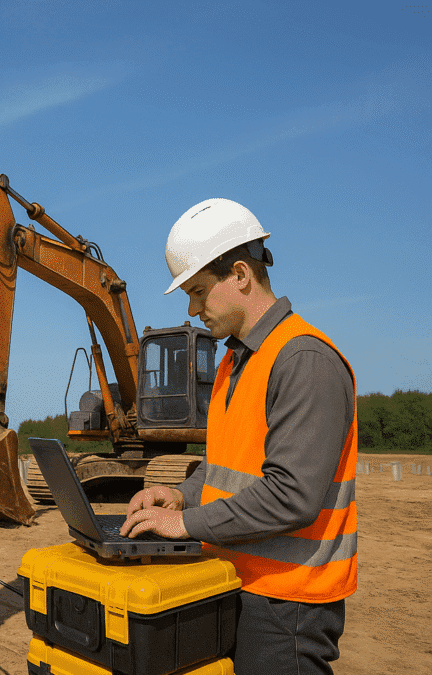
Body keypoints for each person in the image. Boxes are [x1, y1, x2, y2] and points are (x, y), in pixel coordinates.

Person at [120, 198, 357, 675]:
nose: (192, 309)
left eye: (199, 291)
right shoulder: (234, 360)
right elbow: (226, 463)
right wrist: (181, 496)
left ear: (242, 275)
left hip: (288, 603)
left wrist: (185, 524)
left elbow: (291, 496)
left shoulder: (303, 361)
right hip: (237, 582)